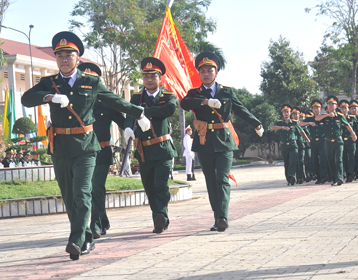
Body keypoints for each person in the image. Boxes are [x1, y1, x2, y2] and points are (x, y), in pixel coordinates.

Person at [22, 31, 150, 260]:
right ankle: (86, 237)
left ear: (78, 57)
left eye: (68, 54)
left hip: (86, 147)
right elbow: (26, 99)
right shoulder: (48, 83)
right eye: (59, 55)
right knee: (70, 196)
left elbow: (114, 100)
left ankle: (75, 240)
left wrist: (139, 113)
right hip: (60, 147)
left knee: (82, 192)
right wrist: (50, 97)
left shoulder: (90, 81)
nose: (63, 59)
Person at [180, 52, 263, 232]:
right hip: (203, 141)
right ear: (199, 74)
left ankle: (223, 216)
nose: (206, 74)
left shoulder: (226, 91)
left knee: (222, 178)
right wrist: (205, 101)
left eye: (210, 70)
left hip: (224, 141)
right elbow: (184, 103)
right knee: (211, 181)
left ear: (216, 72)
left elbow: (240, 109)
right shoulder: (195, 93)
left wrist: (257, 123)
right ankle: (217, 217)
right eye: (203, 71)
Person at [125, 57, 178, 234]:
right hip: (144, 150)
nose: (149, 79)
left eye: (153, 76)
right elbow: (129, 115)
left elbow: (167, 111)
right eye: (146, 76)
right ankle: (159, 217)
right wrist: (127, 127)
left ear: (160, 78)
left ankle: (160, 216)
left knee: (161, 185)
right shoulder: (136, 98)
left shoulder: (168, 97)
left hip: (162, 149)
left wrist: (141, 112)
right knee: (149, 186)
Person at [78, 62, 126, 239]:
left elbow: (124, 122)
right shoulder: (73, 103)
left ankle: (95, 225)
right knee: (86, 189)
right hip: (81, 153)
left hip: (102, 152)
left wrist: (130, 129)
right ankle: (103, 220)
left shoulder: (107, 104)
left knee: (96, 187)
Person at [315, 95, 357, 186]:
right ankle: (334, 179)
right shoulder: (324, 116)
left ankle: (340, 178)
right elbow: (316, 118)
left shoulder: (340, 116)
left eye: (332, 104)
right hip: (328, 142)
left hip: (338, 142)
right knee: (330, 161)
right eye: (329, 104)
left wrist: (353, 134)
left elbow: (347, 125)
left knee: (339, 160)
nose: (330, 106)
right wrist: (327, 115)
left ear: (336, 106)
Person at [271, 104, 299, 186]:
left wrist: (307, 140)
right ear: (282, 113)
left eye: (287, 112)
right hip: (284, 146)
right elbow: (273, 127)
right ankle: (289, 179)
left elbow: (301, 131)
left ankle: (293, 176)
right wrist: (282, 127)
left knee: (293, 161)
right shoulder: (280, 123)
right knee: (286, 163)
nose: (286, 114)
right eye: (284, 112)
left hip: (293, 145)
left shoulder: (294, 123)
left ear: (290, 113)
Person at [301, 100, 328, 184]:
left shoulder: (323, 117)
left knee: (323, 159)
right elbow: (300, 124)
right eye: (314, 108)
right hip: (313, 141)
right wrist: (308, 122)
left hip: (322, 141)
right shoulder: (310, 118)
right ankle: (319, 178)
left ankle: (325, 176)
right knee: (315, 160)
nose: (316, 109)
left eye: (317, 108)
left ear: (320, 109)